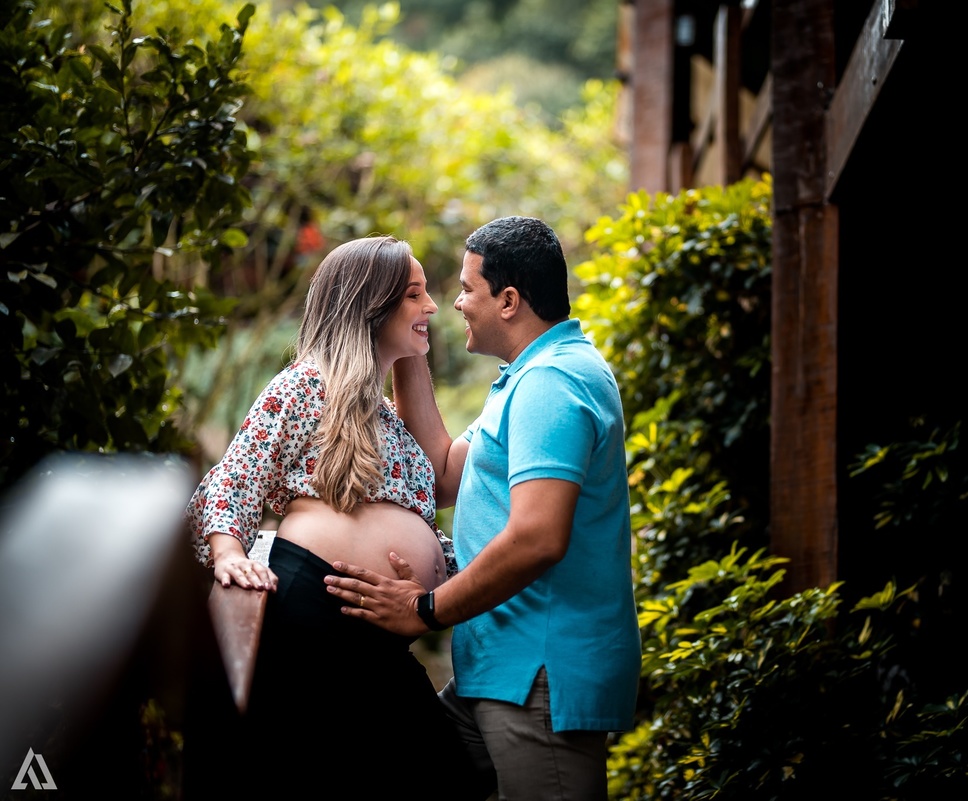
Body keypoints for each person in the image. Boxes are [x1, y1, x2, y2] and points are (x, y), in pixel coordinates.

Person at [323, 216, 642, 800]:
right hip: (498, 668)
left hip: (536, 673)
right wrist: (406, 342)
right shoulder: (527, 379)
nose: (455, 303)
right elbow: (444, 472)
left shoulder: (553, 382)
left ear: (509, 300)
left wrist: (425, 608)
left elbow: (538, 537)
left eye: (468, 288)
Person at [184, 235, 485, 798]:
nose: (432, 308)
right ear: (371, 307)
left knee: (442, 777)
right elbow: (236, 474)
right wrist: (228, 555)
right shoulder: (303, 386)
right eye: (414, 295)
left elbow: (429, 499)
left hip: (378, 635)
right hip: (310, 614)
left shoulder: (392, 423)